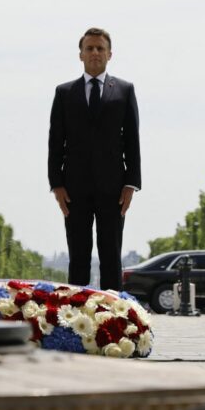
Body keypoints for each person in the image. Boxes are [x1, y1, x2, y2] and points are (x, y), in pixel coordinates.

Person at [47, 27, 141, 291]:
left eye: (100, 48)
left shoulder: (124, 90)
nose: (95, 53)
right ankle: (75, 315)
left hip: (114, 187)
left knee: (111, 253)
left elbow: (132, 140)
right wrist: (56, 184)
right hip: (73, 187)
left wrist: (131, 183)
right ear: (81, 55)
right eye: (89, 48)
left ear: (110, 54)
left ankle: (113, 315)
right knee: (78, 254)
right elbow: (56, 141)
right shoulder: (64, 93)